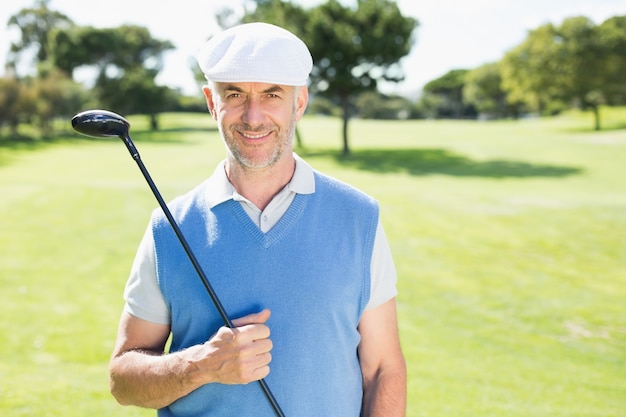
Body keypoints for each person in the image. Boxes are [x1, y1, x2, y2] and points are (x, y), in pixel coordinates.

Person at [109, 22, 406, 417]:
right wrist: (199, 365)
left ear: (299, 102)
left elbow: (384, 370)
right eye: (234, 94)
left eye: (271, 94)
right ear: (212, 103)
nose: (253, 116)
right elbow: (123, 379)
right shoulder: (169, 227)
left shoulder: (358, 218)